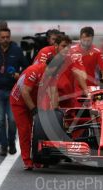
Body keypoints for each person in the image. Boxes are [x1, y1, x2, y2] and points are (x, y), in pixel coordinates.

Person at [10, 34, 84, 170]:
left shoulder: (53, 75)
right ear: (48, 66)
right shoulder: (35, 70)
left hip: (34, 98)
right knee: (25, 129)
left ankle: (37, 158)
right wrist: (33, 110)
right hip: (19, 100)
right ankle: (27, 160)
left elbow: (53, 93)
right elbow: (25, 92)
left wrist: (56, 112)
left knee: (38, 129)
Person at [0, 26, 29, 156]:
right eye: (2, 37)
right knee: (0, 121)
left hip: (13, 91)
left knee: (12, 120)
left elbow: (26, 68)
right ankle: (3, 146)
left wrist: (19, 74)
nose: (5, 39)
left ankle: (11, 142)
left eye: (7, 37)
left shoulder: (17, 50)